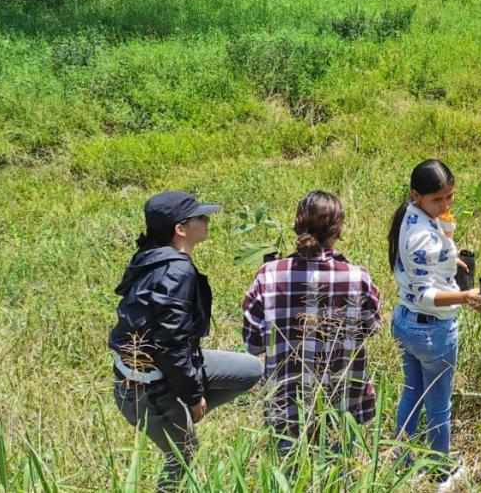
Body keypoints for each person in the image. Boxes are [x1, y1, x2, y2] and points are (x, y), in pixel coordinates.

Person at [109, 191, 263, 490]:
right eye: (200, 217)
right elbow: (170, 345)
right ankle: (180, 411)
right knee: (184, 453)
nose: (207, 220)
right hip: (147, 386)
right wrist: (193, 397)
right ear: (180, 229)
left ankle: (182, 413)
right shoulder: (176, 270)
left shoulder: (152, 257)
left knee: (251, 370)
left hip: (151, 371)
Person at [242, 191, 382, 453]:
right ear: (338, 231)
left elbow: (253, 344)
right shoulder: (358, 277)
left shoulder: (269, 275)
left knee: (288, 472)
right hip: (342, 404)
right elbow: (371, 327)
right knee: (340, 475)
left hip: (286, 406)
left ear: (297, 224)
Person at [390, 160, 481, 490]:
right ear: (417, 195)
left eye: (451, 197)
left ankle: (403, 461)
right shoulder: (421, 238)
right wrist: (466, 295)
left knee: (412, 393)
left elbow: (430, 261)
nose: (446, 205)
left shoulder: (411, 214)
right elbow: (429, 294)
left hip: (406, 320)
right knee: (439, 405)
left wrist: (451, 253)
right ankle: (440, 469)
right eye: (438, 200)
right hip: (432, 330)